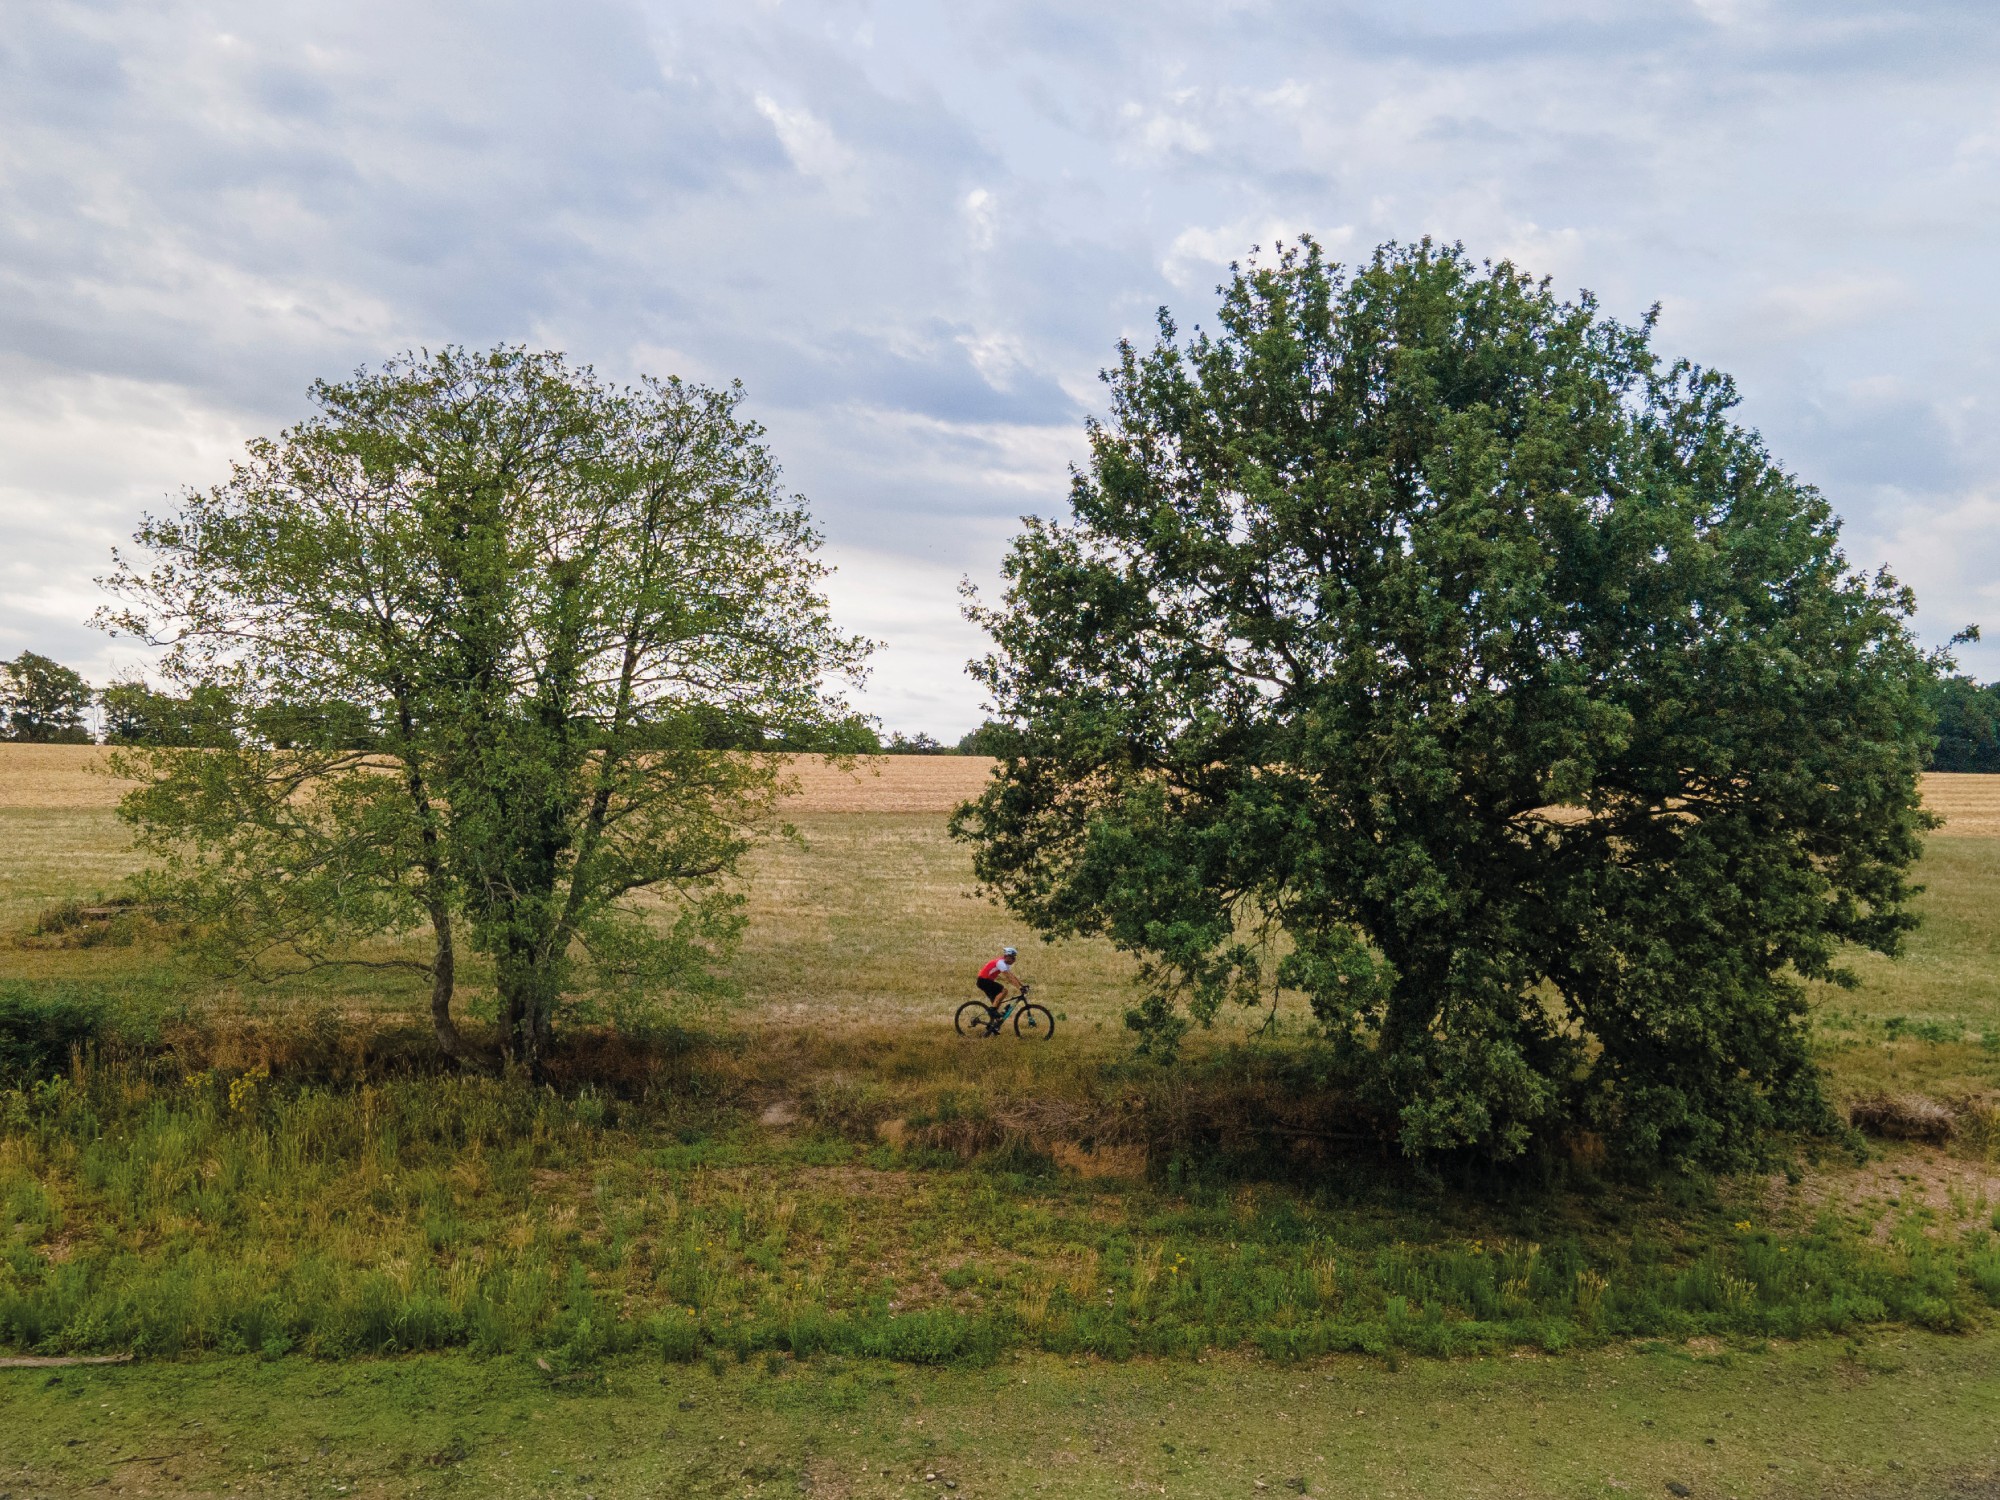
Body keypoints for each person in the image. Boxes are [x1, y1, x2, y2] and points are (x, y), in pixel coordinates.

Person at [976, 947, 1024, 1012]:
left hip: (985, 981)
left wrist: (1022, 986)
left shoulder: (1005, 964)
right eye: (1012, 958)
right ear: (1007, 956)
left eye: (1014, 958)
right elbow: (1009, 977)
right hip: (983, 980)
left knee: (997, 1002)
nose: (1014, 960)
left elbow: (1012, 976)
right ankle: (993, 1010)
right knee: (1004, 991)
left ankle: (994, 1015)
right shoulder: (1000, 963)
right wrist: (1019, 988)